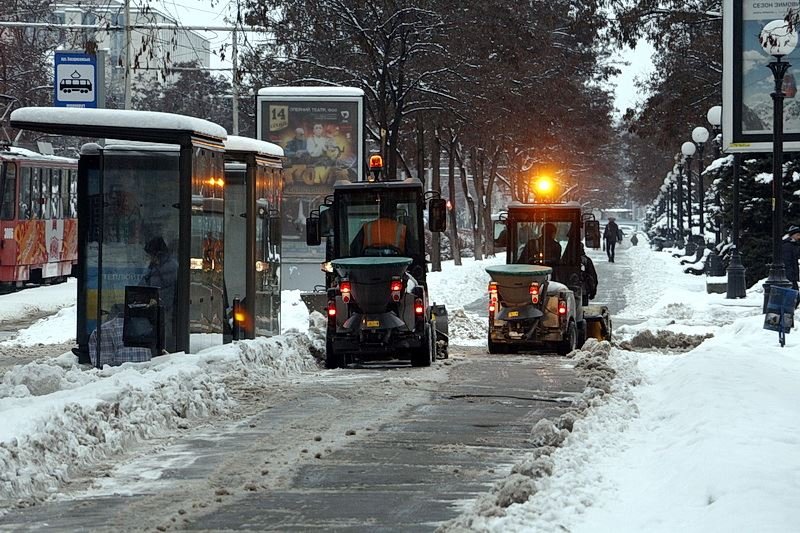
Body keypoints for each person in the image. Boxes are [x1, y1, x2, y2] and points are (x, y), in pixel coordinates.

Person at [141, 236, 178, 346]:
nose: (148, 258)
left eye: (149, 255)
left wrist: (156, 299)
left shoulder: (170, 266)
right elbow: (144, 282)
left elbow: (169, 290)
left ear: (157, 254)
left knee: (164, 330)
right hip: (154, 305)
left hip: (165, 307)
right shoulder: (153, 266)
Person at [782, 224, 800, 291]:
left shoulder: (793, 245)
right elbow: (787, 261)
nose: (799, 237)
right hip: (790, 277)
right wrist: (791, 277)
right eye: (797, 235)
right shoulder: (788, 246)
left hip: (792, 276)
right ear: (793, 235)